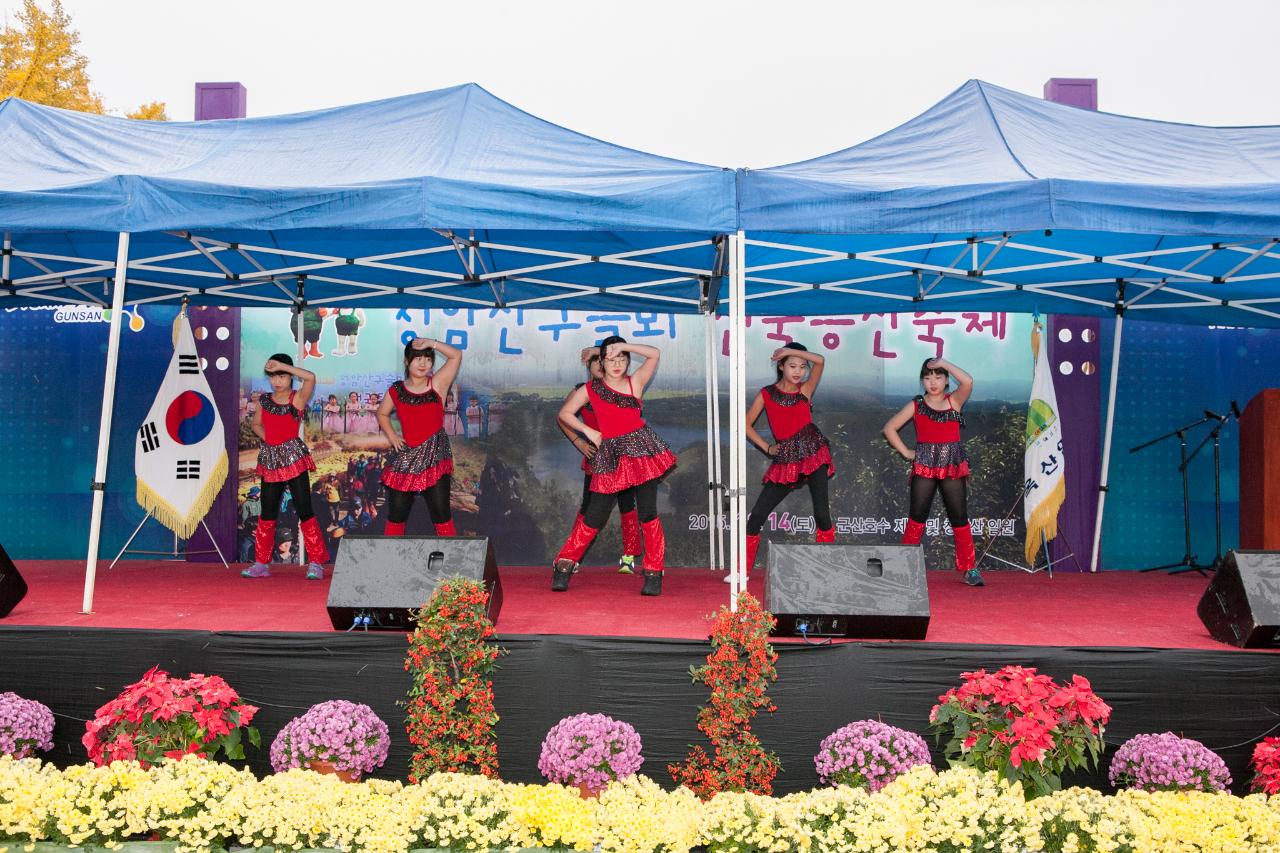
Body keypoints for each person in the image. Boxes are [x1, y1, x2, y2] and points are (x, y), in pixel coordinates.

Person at [552, 336, 676, 596]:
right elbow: (564, 414)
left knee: (648, 513)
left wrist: (624, 347)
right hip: (610, 456)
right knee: (595, 514)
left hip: (642, 453)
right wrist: (589, 431)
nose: (617, 363)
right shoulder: (589, 389)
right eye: (612, 359)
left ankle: (653, 571)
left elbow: (654, 353)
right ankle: (564, 565)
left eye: (622, 359)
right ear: (602, 362)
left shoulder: (635, 383)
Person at [738, 342, 834, 581]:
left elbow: (820, 360)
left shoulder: (805, 390)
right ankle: (743, 572)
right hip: (786, 458)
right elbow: (745, 425)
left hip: (813, 453)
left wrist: (793, 352)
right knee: (758, 513)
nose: (798, 371)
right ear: (781, 366)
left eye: (802, 366)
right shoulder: (766, 393)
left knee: (822, 514)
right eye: (792, 365)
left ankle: (828, 567)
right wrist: (768, 447)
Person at [882, 357, 980, 586]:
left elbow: (968, 381)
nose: (933, 382)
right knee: (917, 516)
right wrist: (906, 452)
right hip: (924, 464)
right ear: (922, 381)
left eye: (938, 377)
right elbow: (889, 428)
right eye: (927, 378)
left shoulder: (954, 400)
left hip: (952, 464)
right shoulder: (916, 405)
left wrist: (944, 362)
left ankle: (969, 568)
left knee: (959, 517)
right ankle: (904, 566)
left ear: (946, 380)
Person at [243, 354, 329, 579]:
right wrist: (269, 440)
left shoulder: (297, 398)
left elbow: (310, 377)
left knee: (304, 510)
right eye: (273, 377)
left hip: (294, 460)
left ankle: (316, 563)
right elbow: (256, 424)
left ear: (290, 375)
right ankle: (261, 563)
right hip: (271, 460)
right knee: (268, 512)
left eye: (282, 376)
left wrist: (283, 365)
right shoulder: (264, 400)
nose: (277, 381)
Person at [557, 354, 643, 574]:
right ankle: (571, 559)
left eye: (601, 360)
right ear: (589, 366)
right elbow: (562, 418)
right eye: (594, 361)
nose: (599, 365)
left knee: (627, 505)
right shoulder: (581, 390)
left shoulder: (622, 388)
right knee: (589, 507)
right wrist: (579, 443)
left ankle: (629, 557)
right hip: (597, 457)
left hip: (623, 457)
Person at [377, 336, 462, 536]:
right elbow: (381, 413)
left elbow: (456, 355)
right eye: (417, 358)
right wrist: (393, 437)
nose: (423, 363)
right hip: (406, 458)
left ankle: (452, 564)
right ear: (407, 361)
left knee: (441, 514)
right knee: (396, 514)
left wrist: (431, 343)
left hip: (435, 457)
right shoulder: (396, 389)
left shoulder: (438, 384)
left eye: (428, 358)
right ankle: (391, 561)